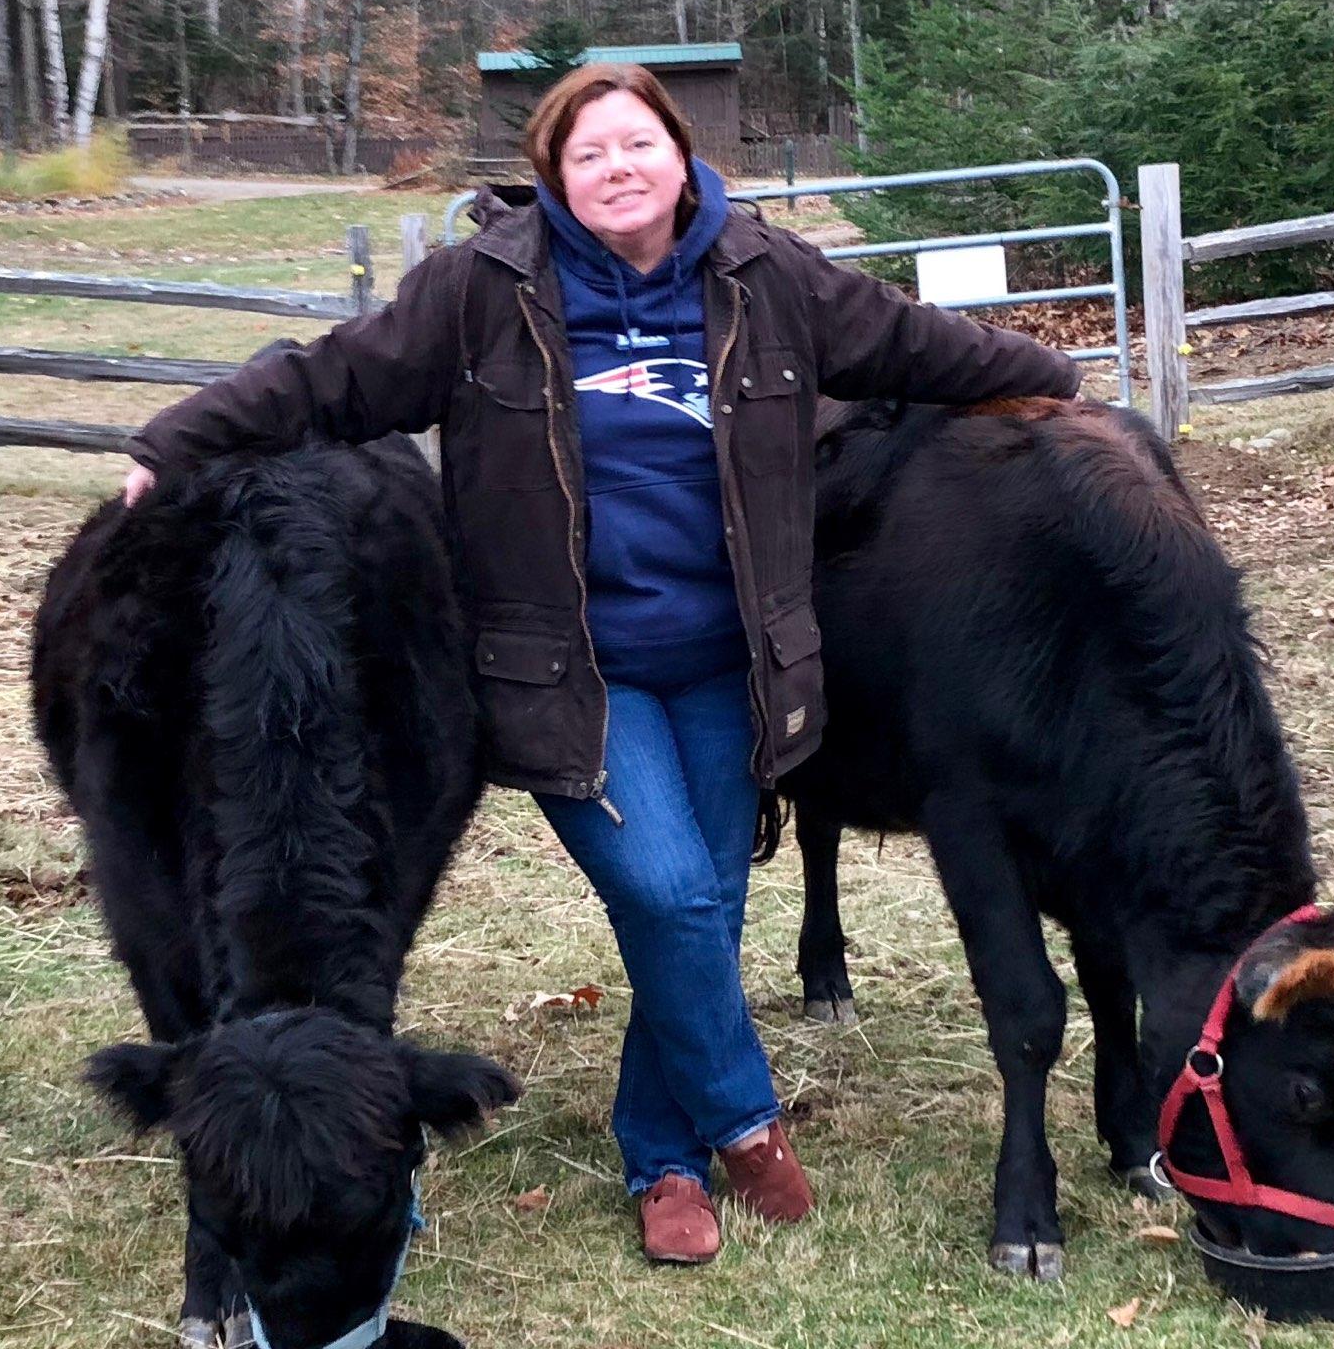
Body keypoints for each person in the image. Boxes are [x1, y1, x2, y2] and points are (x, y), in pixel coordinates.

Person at [121, 63, 1081, 1265]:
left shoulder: (766, 276)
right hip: (575, 676)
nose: (617, 169)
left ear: (681, 156)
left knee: (706, 914)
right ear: (552, 176)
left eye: (637, 144)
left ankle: (659, 1155)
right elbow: (336, 376)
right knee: (671, 891)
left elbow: (912, 342)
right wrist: (178, 437)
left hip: (735, 664)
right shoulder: (485, 288)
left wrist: (1058, 386)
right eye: (588, 154)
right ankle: (740, 1116)